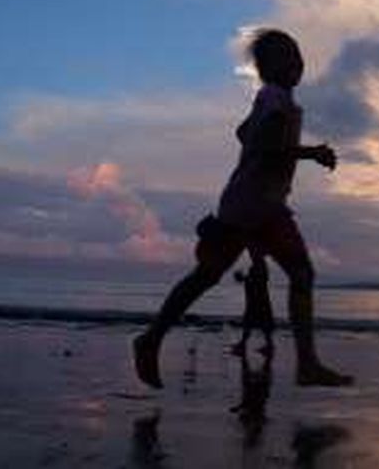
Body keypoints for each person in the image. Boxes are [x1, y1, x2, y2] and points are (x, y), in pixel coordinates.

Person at [133, 28, 352, 388]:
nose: (296, 61)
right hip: (254, 206)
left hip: (252, 205)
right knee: (288, 275)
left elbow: (242, 133)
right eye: (286, 56)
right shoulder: (277, 101)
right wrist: (311, 153)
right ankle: (306, 364)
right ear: (267, 68)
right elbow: (267, 150)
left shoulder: (272, 100)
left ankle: (152, 339)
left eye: (297, 54)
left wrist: (265, 140)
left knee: (214, 276)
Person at [231, 250, 275, 357]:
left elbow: (258, 282)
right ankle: (267, 345)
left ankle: (243, 345)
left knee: (250, 322)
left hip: (257, 300)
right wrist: (244, 278)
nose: (251, 255)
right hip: (258, 299)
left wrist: (243, 278)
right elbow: (258, 280)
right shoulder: (259, 264)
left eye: (252, 253)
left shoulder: (260, 265)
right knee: (260, 322)